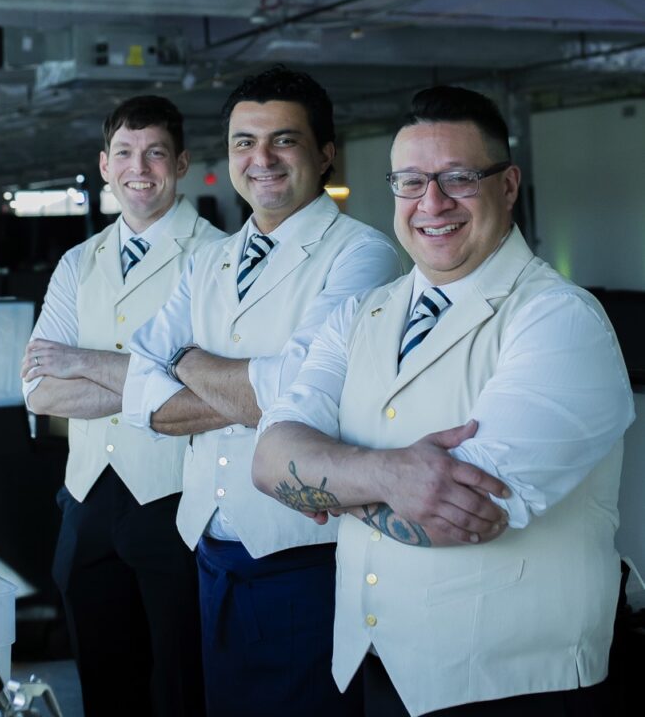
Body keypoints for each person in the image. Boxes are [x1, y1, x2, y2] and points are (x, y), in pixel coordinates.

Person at [253, 85, 636, 717]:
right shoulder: (361, 313)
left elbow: (459, 512)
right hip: (379, 663)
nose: (431, 203)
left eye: (458, 178)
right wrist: (389, 475)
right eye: (409, 182)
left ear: (507, 185)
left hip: (511, 683)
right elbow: (268, 460)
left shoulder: (559, 319)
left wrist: (327, 480)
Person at [123, 66, 402, 717]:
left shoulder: (362, 256)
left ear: (325, 152)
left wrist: (184, 355)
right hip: (208, 545)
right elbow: (141, 393)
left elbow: (295, 394)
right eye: (244, 142)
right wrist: (246, 386)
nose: (261, 159)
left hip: (306, 553)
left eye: (283, 140)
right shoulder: (208, 260)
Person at [22, 95, 223, 717]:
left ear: (182, 163)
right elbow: (38, 390)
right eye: (127, 154)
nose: (141, 167)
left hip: (177, 503)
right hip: (85, 506)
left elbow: (215, 394)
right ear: (105, 165)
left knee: (182, 688)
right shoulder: (77, 262)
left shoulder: (218, 256)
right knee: (106, 690)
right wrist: (154, 379)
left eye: (156, 152)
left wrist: (79, 361)